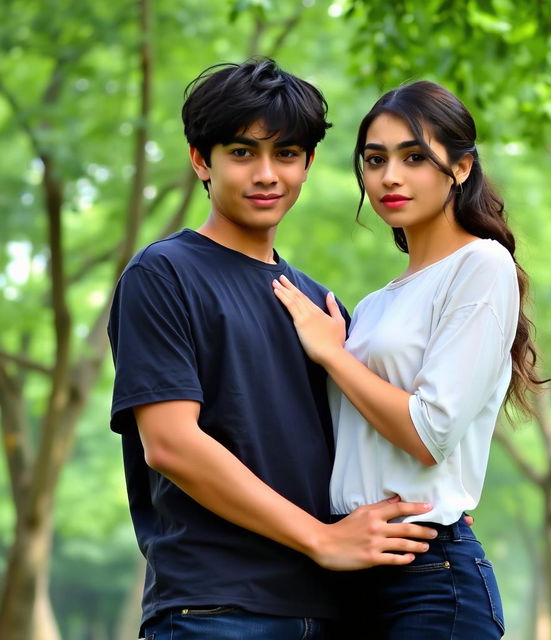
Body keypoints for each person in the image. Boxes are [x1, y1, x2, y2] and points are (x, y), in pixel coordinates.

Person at [107, 59, 441, 640]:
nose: (267, 174)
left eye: (286, 154)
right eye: (242, 152)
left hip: (338, 611)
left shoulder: (319, 305)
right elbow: (170, 444)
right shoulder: (163, 275)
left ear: (308, 163)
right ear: (199, 160)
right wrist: (322, 539)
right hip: (218, 610)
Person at [273, 80, 543, 639]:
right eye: (375, 160)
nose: (389, 177)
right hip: (351, 573)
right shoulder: (374, 306)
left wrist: (330, 353)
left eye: (414, 157)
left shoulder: (482, 265)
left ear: (461, 168)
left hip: (429, 581)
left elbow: (429, 432)